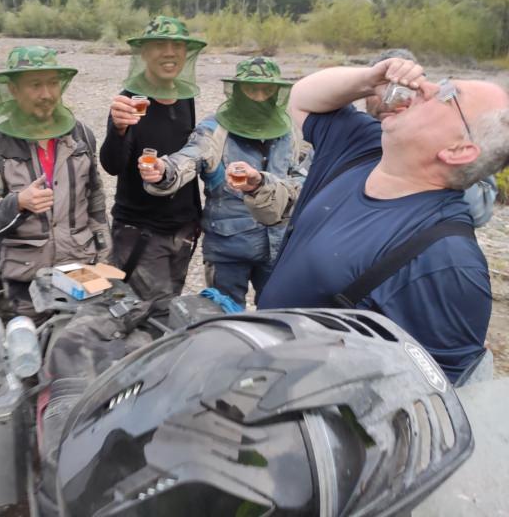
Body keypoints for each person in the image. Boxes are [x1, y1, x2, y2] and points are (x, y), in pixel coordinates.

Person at [256, 55, 509, 382]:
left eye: (448, 96)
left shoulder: (448, 261)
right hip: (259, 367)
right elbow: (302, 98)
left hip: (298, 402)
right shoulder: (363, 146)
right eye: (442, 82)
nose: (427, 87)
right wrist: (369, 80)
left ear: (458, 150)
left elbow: (435, 391)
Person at [141, 57, 299, 305]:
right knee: (224, 316)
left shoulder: (287, 131)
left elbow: (301, 175)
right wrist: (163, 171)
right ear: (237, 90)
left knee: (278, 315)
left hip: (279, 248)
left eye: (266, 89)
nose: (259, 97)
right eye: (251, 89)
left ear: (276, 92)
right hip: (228, 251)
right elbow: (189, 158)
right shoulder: (214, 129)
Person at [0, 46, 110, 318]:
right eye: (35, 85)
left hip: (80, 268)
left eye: (53, 83)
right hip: (25, 278)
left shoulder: (81, 135)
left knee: (85, 336)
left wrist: (105, 261)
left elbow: (96, 204)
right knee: (32, 340)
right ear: (13, 89)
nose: (47, 94)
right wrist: (18, 203)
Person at [99, 15, 205, 311]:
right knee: (145, 314)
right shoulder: (130, 101)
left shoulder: (184, 97)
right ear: (144, 52)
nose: (170, 53)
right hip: (141, 234)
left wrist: (195, 218)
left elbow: (186, 155)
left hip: (182, 231)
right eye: (160, 45)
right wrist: (118, 129)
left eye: (177, 46)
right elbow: (111, 165)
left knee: (170, 309)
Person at [365, 48, 497, 227]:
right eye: (381, 89)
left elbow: (479, 211)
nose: (391, 99)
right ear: (364, 95)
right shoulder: (347, 133)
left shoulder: (450, 137)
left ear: (420, 92)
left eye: (404, 89)